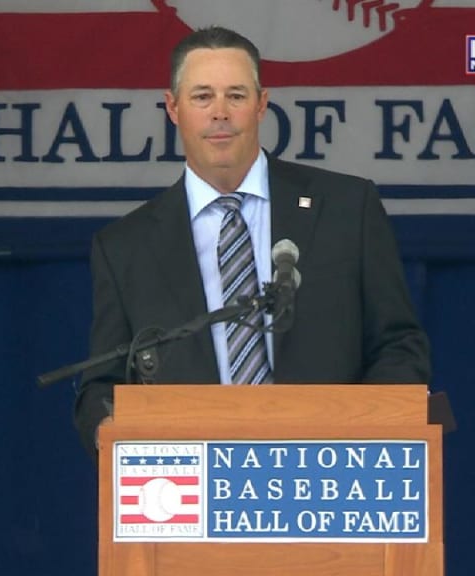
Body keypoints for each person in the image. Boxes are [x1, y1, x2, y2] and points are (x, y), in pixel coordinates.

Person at [74, 26, 430, 460]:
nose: (220, 112)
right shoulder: (124, 247)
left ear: (261, 105)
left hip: (332, 477)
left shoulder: (346, 207)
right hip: (192, 490)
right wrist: (112, 432)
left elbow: (397, 346)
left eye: (236, 96)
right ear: (173, 107)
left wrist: (368, 440)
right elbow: (103, 385)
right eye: (202, 96)